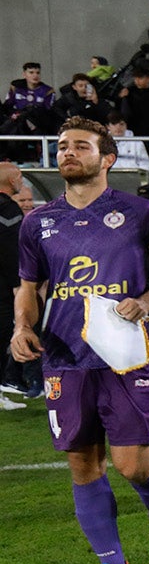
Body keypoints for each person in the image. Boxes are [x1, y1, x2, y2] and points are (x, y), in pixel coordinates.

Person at [9, 117, 149, 564]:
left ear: (106, 158)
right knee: (83, 463)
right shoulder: (37, 221)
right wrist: (22, 326)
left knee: (132, 465)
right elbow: (28, 289)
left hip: (124, 357)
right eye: (62, 146)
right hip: (64, 356)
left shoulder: (140, 213)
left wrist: (147, 302)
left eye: (80, 146)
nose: (68, 152)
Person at [0, 162, 28, 411]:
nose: (22, 181)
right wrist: (18, 285)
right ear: (10, 181)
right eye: (19, 176)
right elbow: (10, 252)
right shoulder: (8, 209)